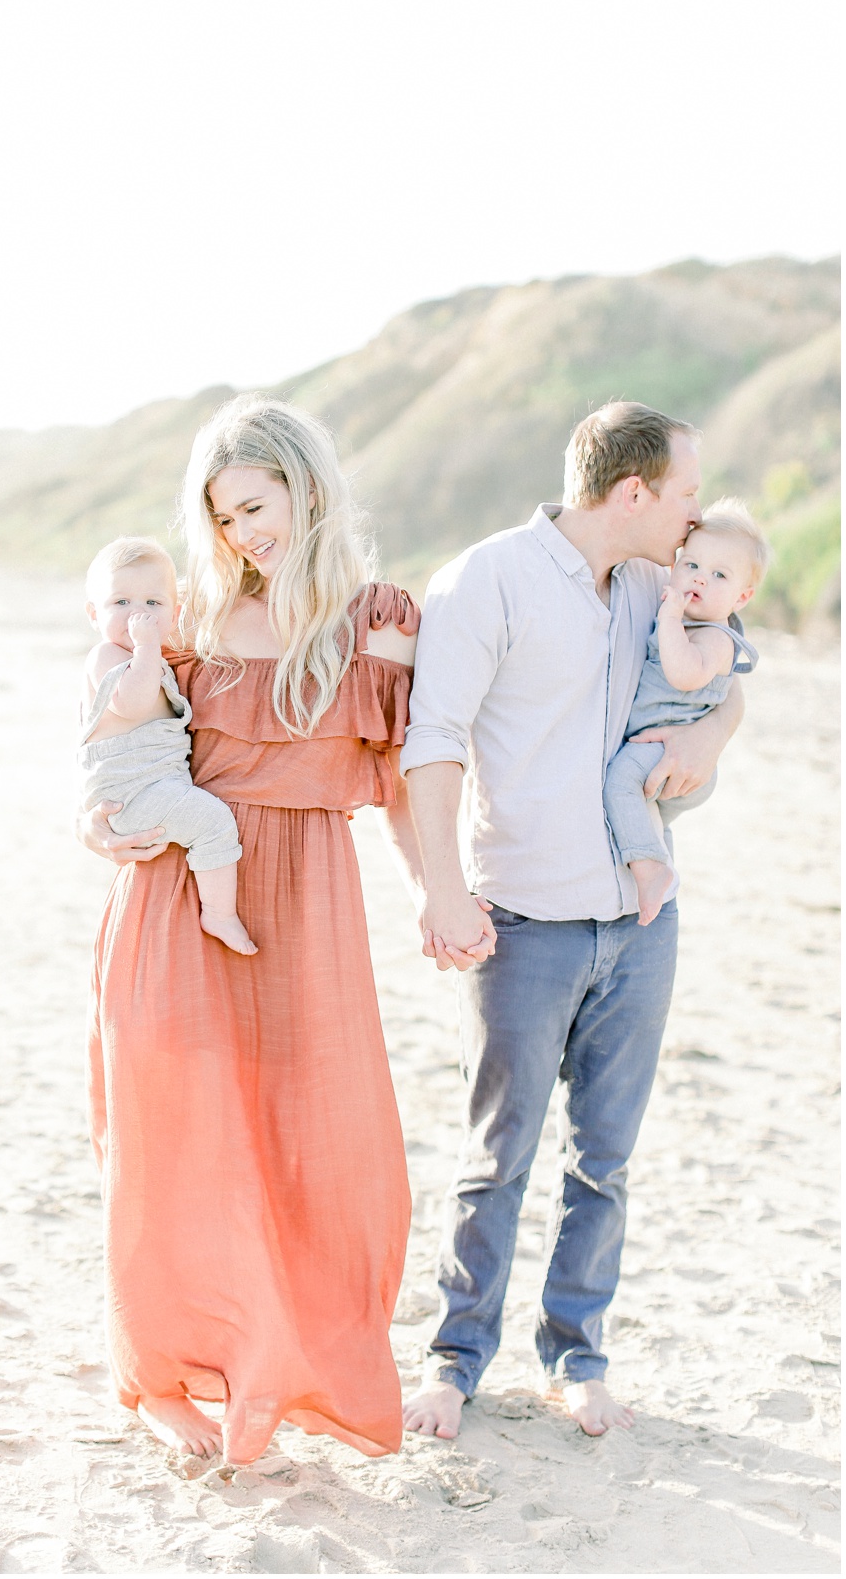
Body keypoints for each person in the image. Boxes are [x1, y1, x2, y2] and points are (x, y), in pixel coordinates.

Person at [78, 394, 422, 1467]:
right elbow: (109, 744)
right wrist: (95, 818)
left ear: (306, 489)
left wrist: (437, 889)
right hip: (179, 904)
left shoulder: (378, 620)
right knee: (175, 1145)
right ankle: (167, 1372)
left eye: (255, 506)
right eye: (223, 517)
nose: (241, 535)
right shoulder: (189, 627)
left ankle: (280, 1368)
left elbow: (416, 775)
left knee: (316, 1143)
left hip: (310, 909)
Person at [399, 401, 745, 1440]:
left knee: (606, 1158)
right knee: (494, 1156)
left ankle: (576, 1355)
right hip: (524, 919)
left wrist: (716, 741)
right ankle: (454, 1361)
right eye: (684, 492)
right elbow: (434, 738)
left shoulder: (660, 584)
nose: (694, 516)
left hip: (640, 918)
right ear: (632, 491)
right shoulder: (488, 578)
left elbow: (732, 672)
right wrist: (441, 888)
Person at [80, 535, 256, 955]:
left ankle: (217, 907)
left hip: (153, 784)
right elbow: (131, 701)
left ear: (175, 612)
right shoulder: (107, 656)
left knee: (203, 820)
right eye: (120, 603)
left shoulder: (149, 657)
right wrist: (145, 648)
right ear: (93, 613)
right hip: (130, 792)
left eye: (152, 605)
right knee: (212, 822)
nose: (137, 614)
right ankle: (219, 913)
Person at [604, 500, 765, 924]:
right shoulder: (687, 616)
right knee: (648, 815)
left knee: (620, 781)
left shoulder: (717, 638)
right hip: (662, 752)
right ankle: (654, 854)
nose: (700, 579)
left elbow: (685, 674)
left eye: (719, 575)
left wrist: (671, 618)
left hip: (672, 753)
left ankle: (651, 871)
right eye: (691, 564)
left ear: (741, 597)